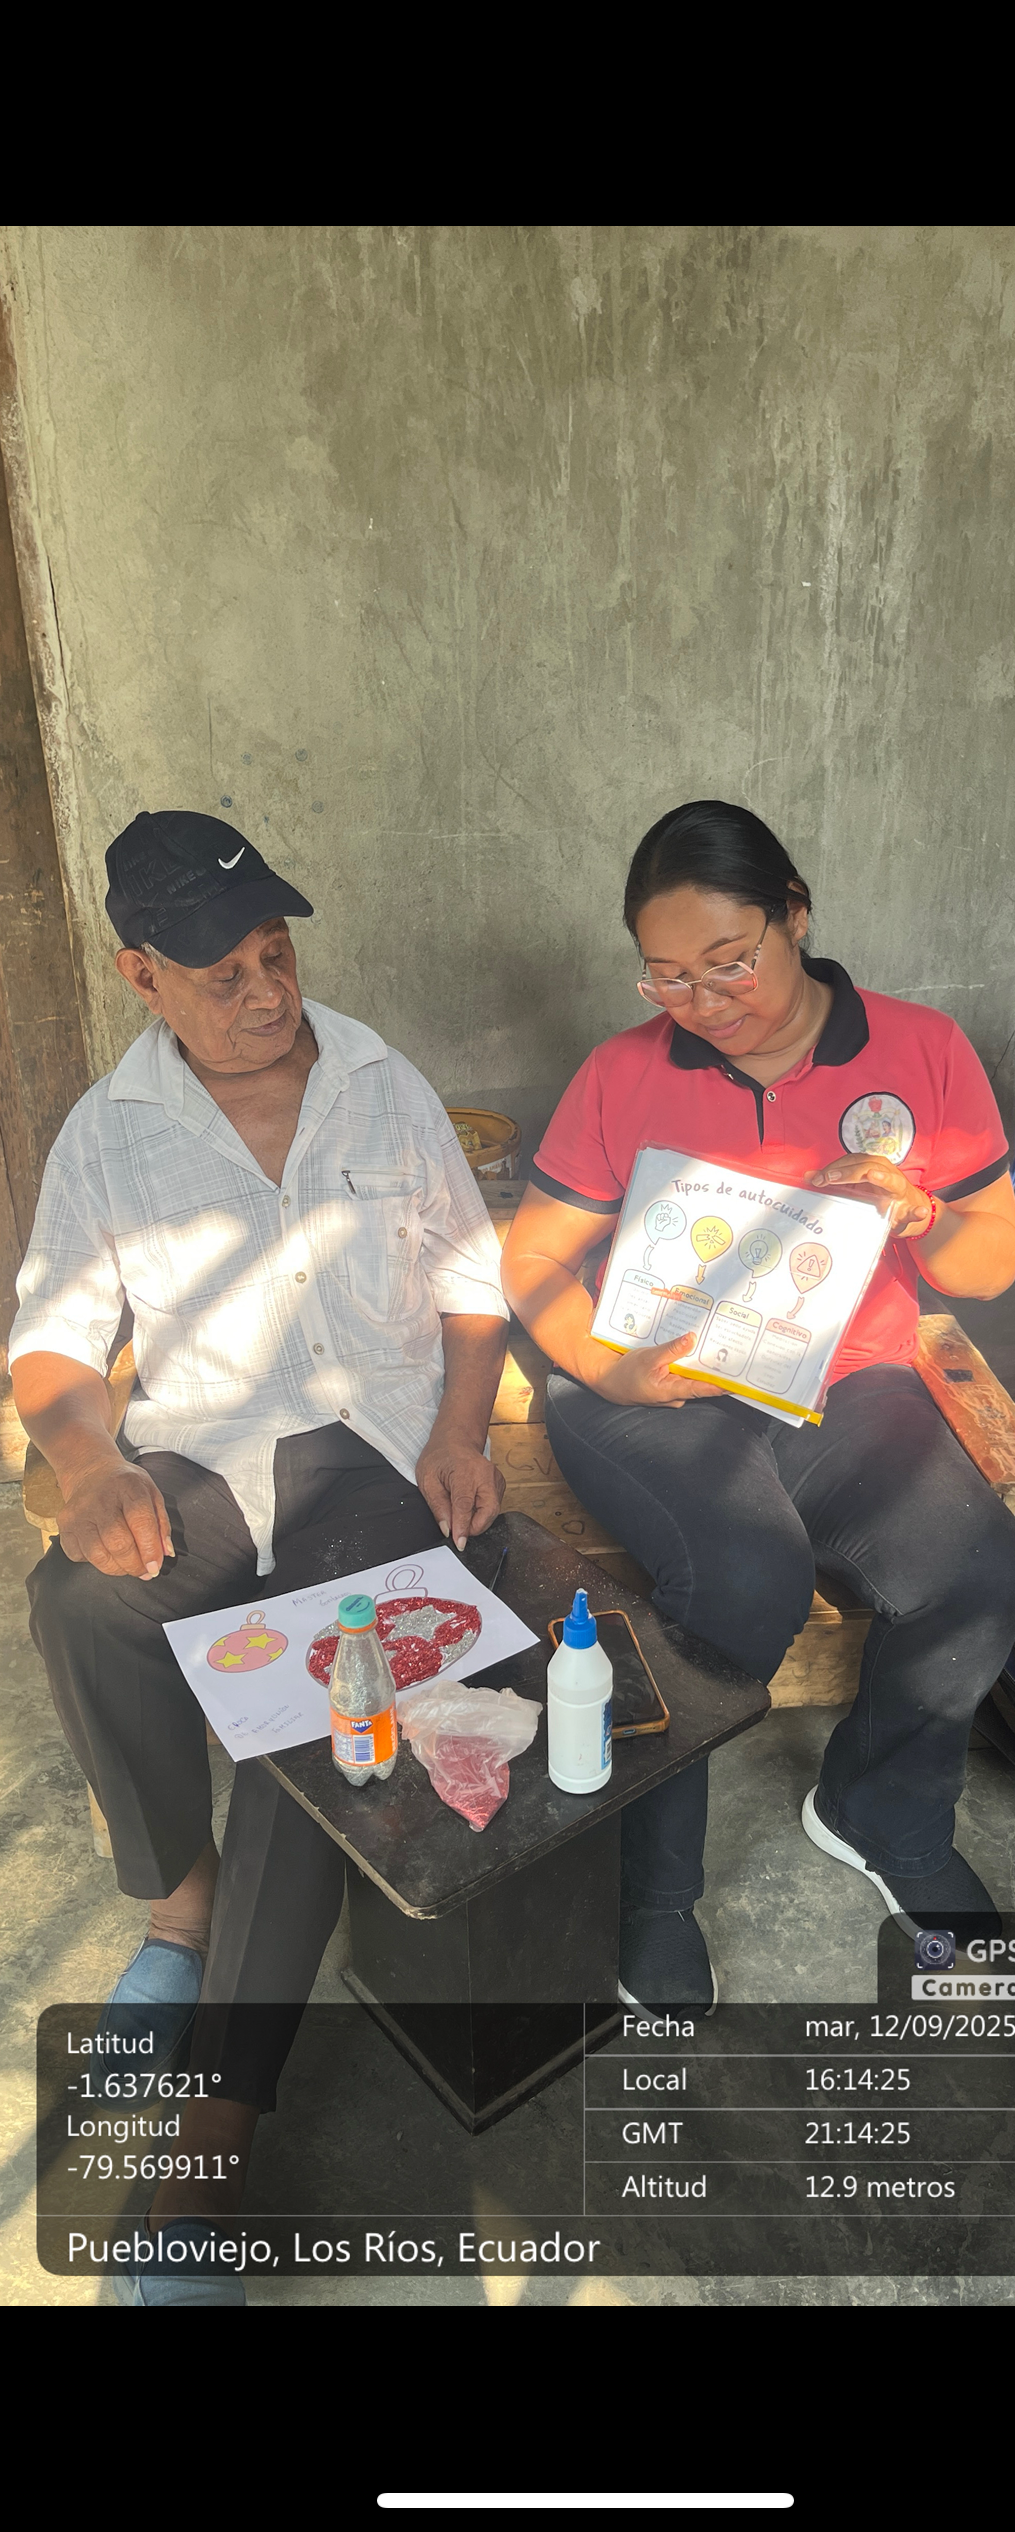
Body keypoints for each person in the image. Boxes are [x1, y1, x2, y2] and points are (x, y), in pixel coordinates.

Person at [10, 808, 509, 2303]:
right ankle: (186, 1898)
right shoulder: (110, 1132)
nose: (263, 991)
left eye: (274, 954)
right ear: (141, 975)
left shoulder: (379, 1081)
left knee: (319, 1682)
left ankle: (214, 2134)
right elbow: (53, 1342)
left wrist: (464, 1429)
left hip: (376, 1454)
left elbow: (471, 1280)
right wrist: (90, 1460)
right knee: (78, 1602)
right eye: (219, 971)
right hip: (208, 1449)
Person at [501, 799, 1015, 2012]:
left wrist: (919, 1210)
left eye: (729, 961)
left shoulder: (920, 1049)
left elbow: (992, 1261)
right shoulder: (624, 1073)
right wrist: (609, 1367)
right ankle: (654, 1893)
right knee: (743, 1577)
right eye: (667, 975)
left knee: (974, 1574)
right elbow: (531, 1262)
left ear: (795, 914)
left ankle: (880, 1812)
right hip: (654, 1393)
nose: (700, 1000)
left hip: (846, 1383)